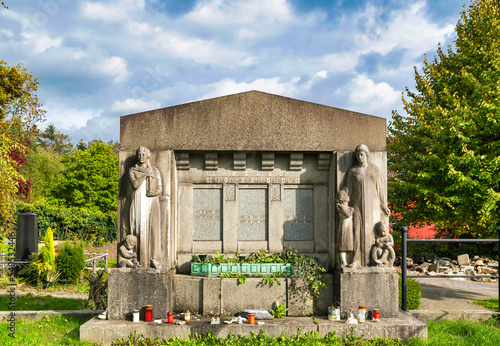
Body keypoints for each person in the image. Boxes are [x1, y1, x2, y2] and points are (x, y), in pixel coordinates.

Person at [340, 144, 390, 266]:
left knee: (373, 231)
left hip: (373, 206)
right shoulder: (352, 171)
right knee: (357, 231)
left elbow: (380, 188)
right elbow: (346, 188)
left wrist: (384, 204)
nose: (359, 157)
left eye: (361, 154)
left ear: (367, 155)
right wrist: (340, 198)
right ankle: (356, 260)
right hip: (356, 205)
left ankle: (373, 259)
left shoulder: (374, 170)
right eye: (357, 155)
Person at [129, 146, 162, 268]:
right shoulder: (132, 170)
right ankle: (135, 258)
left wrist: (154, 192)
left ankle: (153, 258)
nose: (141, 157)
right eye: (139, 154)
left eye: (143, 154)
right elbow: (135, 184)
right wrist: (145, 175)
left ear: (148, 156)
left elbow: (159, 187)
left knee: (153, 230)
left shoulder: (155, 170)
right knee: (137, 228)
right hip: (138, 200)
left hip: (151, 202)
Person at [336, 190, 354, 267]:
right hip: (345, 225)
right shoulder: (342, 206)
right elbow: (348, 214)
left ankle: (345, 260)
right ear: (342, 198)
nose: (348, 196)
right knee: (343, 244)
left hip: (348, 225)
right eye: (346, 195)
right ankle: (343, 261)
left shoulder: (345, 206)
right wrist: (352, 210)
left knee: (347, 243)